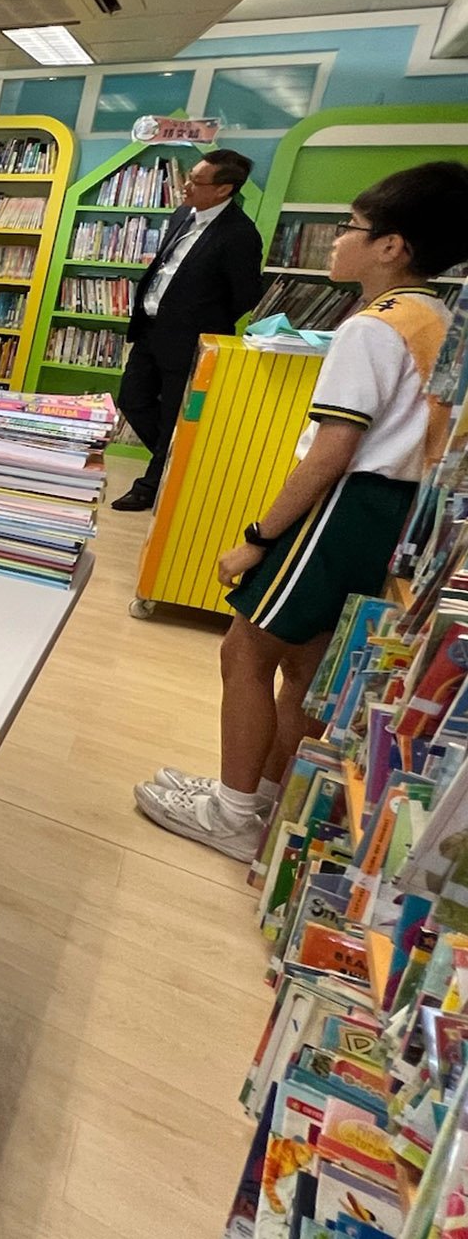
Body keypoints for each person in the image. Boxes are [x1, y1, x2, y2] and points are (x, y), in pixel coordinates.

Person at [136, 162, 468, 858]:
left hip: (344, 508)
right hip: (397, 513)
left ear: (391, 246)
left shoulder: (372, 328)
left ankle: (232, 812)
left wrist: (257, 536)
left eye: (351, 227)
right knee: (306, 666)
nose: (336, 240)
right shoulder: (437, 318)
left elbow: (331, 452)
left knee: (246, 650)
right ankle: (260, 797)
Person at [113, 149, 265, 512]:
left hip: (190, 340)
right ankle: (176, 463)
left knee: (172, 415)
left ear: (223, 189)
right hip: (151, 329)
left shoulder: (240, 234)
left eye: (196, 181)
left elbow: (245, 295)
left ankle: (151, 485)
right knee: (132, 400)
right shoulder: (182, 214)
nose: (185, 185)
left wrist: (198, 319)